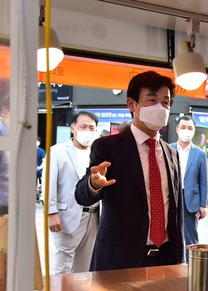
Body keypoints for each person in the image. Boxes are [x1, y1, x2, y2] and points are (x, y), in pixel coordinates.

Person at [75, 71, 184, 271]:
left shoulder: (172, 153)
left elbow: (175, 209)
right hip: (121, 257)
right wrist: (94, 183)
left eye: (166, 102)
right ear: (132, 105)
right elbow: (82, 196)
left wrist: (179, 257)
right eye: (152, 100)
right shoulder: (108, 147)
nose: (160, 107)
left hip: (166, 257)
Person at [48, 111, 100, 274]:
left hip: (94, 215)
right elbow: (50, 183)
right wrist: (51, 212)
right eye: (83, 127)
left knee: (85, 263)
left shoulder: (98, 153)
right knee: (63, 262)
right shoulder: (58, 151)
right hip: (67, 215)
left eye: (92, 128)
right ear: (73, 128)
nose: (88, 131)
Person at [170, 115, 208, 261]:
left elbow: (203, 180)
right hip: (171, 197)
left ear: (194, 131)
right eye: (183, 127)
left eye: (190, 128)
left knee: (190, 238)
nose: (187, 131)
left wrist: (203, 204)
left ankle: (192, 267)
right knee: (171, 234)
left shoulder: (200, 154)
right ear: (177, 130)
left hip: (190, 199)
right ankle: (174, 265)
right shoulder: (168, 148)